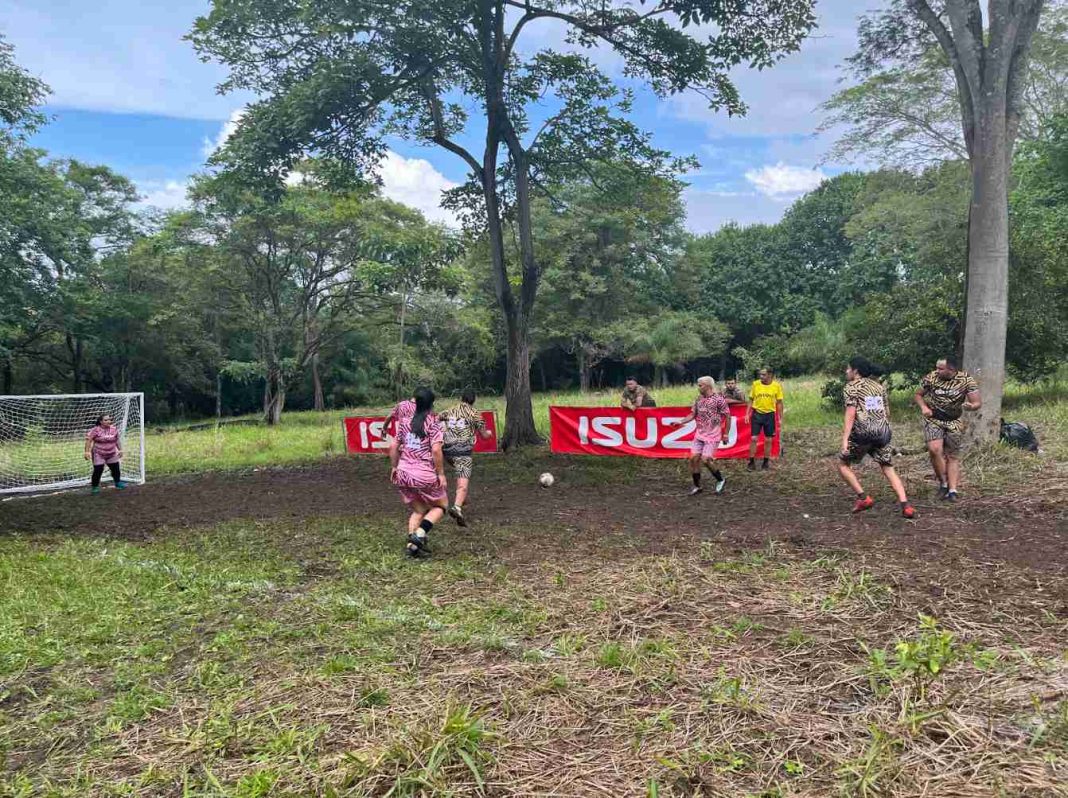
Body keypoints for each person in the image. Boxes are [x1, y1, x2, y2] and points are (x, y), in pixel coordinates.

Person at [836, 357, 916, 519]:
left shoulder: (851, 387)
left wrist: (845, 440)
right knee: (887, 466)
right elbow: (887, 413)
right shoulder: (878, 386)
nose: (846, 371)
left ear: (855, 371)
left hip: (863, 433)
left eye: (848, 368)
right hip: (883, 432)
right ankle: (905, 505)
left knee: (843, 465)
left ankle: (863, 498)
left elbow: (850, 414)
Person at [388, 387, 448, 558]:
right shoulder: (433, 423)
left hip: (403, 474)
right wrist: (441, 474)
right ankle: (420, 534)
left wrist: (394, 467)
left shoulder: (404, 422)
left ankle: (412, 545)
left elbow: (393, 446)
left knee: (419, 510)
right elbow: (436, 450)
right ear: (431, 404)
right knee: (441, 506)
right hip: (423, 474)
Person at [914, 355, 982, 501]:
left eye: (940, 368)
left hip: (954, 421)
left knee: (952, 455)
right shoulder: (931, 378)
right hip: (934, 419)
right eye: (936, 367)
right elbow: (918, 394)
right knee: (934, 450)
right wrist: (924, 407)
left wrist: (971, 406)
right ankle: (943, 483)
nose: (936, 370)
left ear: (951, 369)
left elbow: (977, 403)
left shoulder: (966, 380)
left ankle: (952, 490)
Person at [438, 389, 493, 527]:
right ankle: (457, 507)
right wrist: (489, 433)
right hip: (463, 451)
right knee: (462, 479)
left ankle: (462, 497)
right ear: (474, 400)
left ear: (461, 398)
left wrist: (443, 430)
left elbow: (435, 419)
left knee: (459, 470)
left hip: (447, 451)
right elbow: (484, 435)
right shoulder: (475, 414)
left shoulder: (449, 410)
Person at [668, 376, 729, 496]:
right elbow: (692, 414)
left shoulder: (719, 399)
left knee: (706, 460)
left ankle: (721, 480)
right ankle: (697, 486)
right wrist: (680, 422)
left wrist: (726, 433)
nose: (698, 387)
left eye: (700, 385)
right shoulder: (699, 399)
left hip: (713, 435)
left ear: (708, 386)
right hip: (699, 434)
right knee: (693, 458)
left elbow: (728, 416)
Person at [746, 367, 784, 470]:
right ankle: (751, 461)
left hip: (770, 415)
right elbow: (751, 399)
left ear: (770, 375)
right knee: (754, 438)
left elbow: (779, 402)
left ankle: (765, 461)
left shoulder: (776, 386)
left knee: (768, 440)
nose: (761, 376)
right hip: (757, 414)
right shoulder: (756, 384)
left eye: (763, 374)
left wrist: (780, 417)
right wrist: (747, 414)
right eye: (760, 374)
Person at [84, 414, 126, 495]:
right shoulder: (95, 430)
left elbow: (117, 440)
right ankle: (95, 487)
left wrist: (120, 450)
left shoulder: (114, 429)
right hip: (98, 453)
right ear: (101, 421)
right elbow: (89, 440)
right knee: (98, 470)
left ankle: (118, 482)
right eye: (106, 420)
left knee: (115, 468)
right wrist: (87, 452)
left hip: (112, 453)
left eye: (109, 420)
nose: (108, 421)